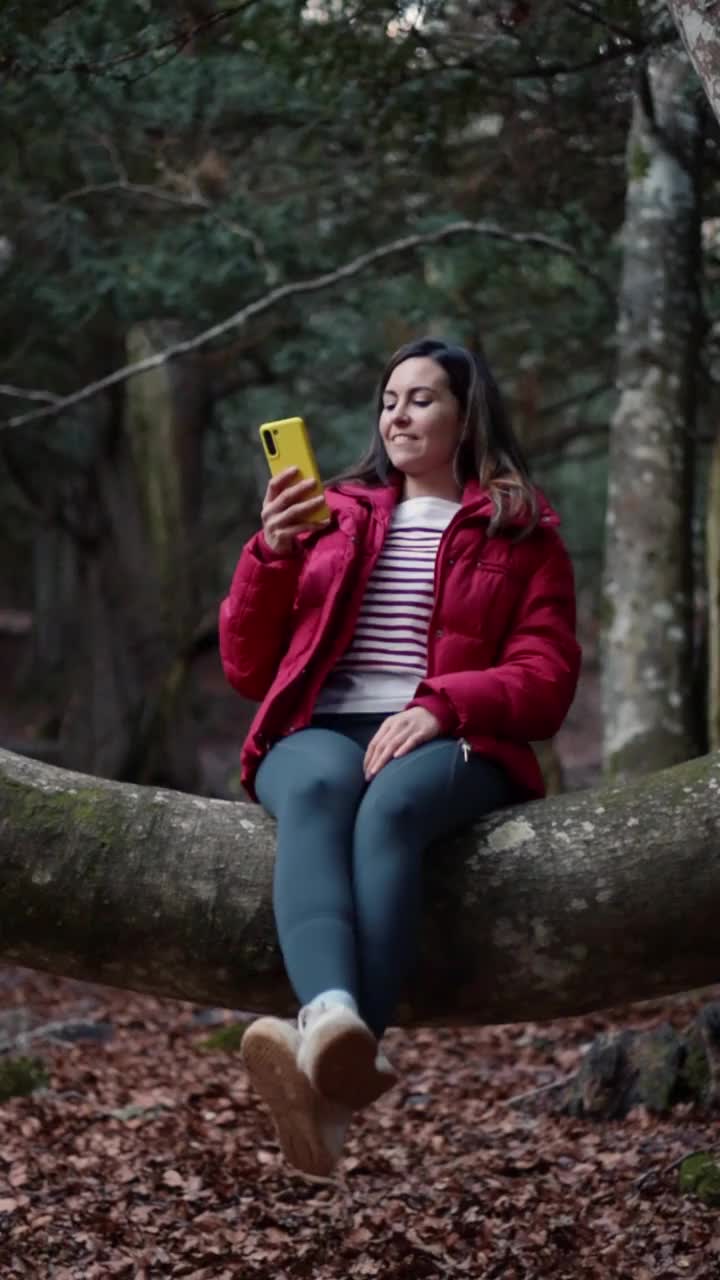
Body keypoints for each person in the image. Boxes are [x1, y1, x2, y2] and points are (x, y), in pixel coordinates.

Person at [219, 337, 581, 1179]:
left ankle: (330, 1081)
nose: (398, 414)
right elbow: (246, 666)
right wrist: (268, 553)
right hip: (319, 728)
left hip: (452, 734)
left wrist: (441, 705)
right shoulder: (331, 514)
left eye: (421, 398)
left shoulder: (521, 531)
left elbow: (547, 679)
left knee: (390, 807)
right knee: (317, 787)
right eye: (388, 400)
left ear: (466, 416)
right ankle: (336, 1022)